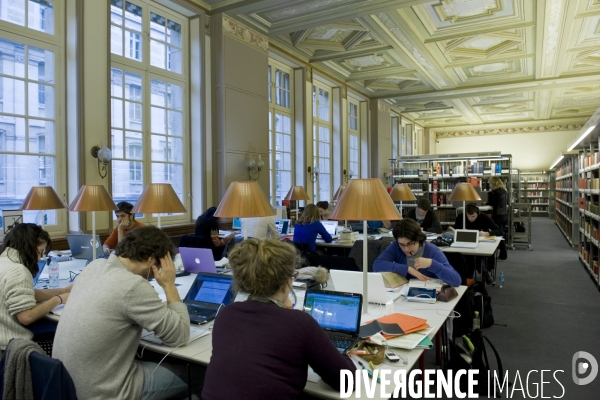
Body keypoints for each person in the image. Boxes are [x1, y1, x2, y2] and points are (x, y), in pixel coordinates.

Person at [202, 239, 355, 400]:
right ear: (285, 282)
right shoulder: (299, 323)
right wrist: (338, 352)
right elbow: (347, 381)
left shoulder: (226, 315)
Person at [53, 226, 191, 400]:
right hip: (103, 392)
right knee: (194, 374)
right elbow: (180, 335)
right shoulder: (133, 285)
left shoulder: (95, 266)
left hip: (67, 386)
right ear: (150, 261)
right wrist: (169, 285)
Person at [0, 224, 72, 353]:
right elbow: (26, 317)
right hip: (10, 349)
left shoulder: (4, 261)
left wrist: (62, 291)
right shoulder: (18, 271)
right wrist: (58, 299)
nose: (39, 258)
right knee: (67, 343)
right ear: (27, 247)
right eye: (38, 252)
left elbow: (25, 294)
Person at [373, 218, 461, 287]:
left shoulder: (432, 251)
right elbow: (377, 265)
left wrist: (432, 264)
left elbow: (456, 281)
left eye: (410, 244)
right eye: (402, 245)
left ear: (419, 239)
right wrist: (407, 269)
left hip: (429, 296)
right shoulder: (396, 246)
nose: (406, 249)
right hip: (403, 295)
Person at [454, 203, 504, 285]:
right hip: (464, 244)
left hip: (480, 244)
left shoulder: (483, 217)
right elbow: (455, 231)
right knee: (464, 256)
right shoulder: (460, 217)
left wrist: (488, 233)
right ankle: (475, 275)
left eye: (473, 216)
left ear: (478, 213)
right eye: (468, 216)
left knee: (476, 255)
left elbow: (500, 231)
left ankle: (473, 275)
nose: (470, 219)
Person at [487, 176, 508, 260]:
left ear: (493, 183)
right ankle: (503, 254)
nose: (489, 185)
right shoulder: (504, 191)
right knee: (501, 233)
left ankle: (503, 254)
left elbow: (491, 203)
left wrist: (489, 193)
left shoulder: (496, 192)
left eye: (490, 183)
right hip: (504, 215)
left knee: (498, 234)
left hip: (498, 216)